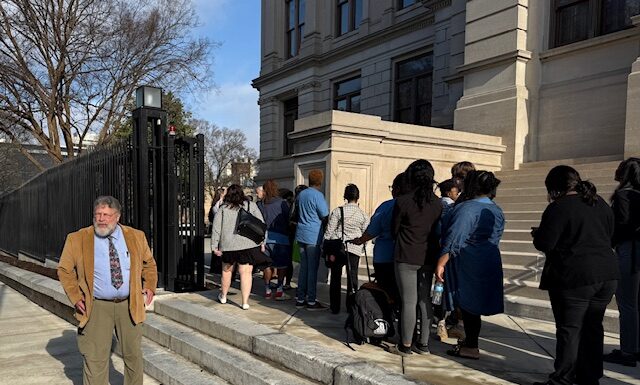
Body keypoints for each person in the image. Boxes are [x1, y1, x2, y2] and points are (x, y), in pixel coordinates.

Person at [531, 166, 619, 385]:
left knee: (570, 329)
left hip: (575, 275)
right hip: (606, 273)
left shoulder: (558, 207)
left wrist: (538, 234)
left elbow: (545, 243)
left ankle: (562, 379)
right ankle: (589, 377)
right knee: (592, 327)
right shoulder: (599, 202)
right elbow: (611, 236)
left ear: (554, 187)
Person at [57, 196, 158, 385]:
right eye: (98, 214)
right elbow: (64, 269)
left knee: (133, 356)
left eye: (106, 215)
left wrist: (150, 286)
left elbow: (149, 264)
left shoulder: (136, 236)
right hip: (96, 307)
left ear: (117, 217)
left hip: (129, 305)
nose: (101, 219)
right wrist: (75, 296)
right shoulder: (78, 238)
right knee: (95, 359)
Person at [436, 170, 504, 360]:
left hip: (469, 259)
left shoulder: (467, 208)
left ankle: (471, 345)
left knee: (468, 305)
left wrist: (442, 261)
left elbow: (456, 237)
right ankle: (470, 343)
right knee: (474, 306)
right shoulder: (496, 209)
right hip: (489, 258)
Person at [390, 159, 442, 356]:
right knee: (424, 300)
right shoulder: (437, 203)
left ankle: (405, 344)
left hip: (406, 254)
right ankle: (424, 344)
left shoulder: (403, 201)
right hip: (429, 255)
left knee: (408, 302)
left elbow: (394, 229)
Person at [604, 158, 640, 367]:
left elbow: (623, 225)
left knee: (627, 302)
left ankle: (627, 351)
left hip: (630, 250)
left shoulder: (624, 195)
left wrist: (610, 241)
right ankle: (634, 347)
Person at [351, 173, 408, 303]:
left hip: (385, 256)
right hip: (408, 256)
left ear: (398, 188)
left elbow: (372, 230)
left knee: (386, 292)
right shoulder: (416, 206)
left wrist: (360, 240)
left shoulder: (386, 206)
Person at [211, 184, 265, 310]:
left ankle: (223, 296)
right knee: (246, 273)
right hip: (248, 244)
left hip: (229, 245)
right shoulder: (251, 205)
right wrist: (262, 241)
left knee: (226, 271)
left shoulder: (223, 209)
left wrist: (214, 246)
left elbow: (216, 229)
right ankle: (245, 302)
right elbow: (261, 224)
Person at [324, 183, 369, 314]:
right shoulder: (363, 214)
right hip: (354, 248)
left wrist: (327, 246)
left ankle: (335, 307)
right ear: (358, 197)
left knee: (335, 278)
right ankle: (351, 307)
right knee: (352, 277)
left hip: (338, 247)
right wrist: (362, 246)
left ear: (345, 196)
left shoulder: (338, 211)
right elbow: (366, 234)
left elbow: (329, 232)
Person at [295, 170, 329, 310]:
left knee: (303, 268)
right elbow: (324, 214)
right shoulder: (318, 195)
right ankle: (311, 300)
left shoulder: (301, 194)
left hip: (301, 233)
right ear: (320, 181)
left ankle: (300, 298)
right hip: (313, 235)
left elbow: (297, 211)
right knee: (312, 269)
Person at [261, 180, 292, 300]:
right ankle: (279, 289)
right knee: (282, 266)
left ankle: (267, 289)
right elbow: (287, 218)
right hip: (281, 237)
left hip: (265, 238)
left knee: (267, 266)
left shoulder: (262, 204)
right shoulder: (282, 203)